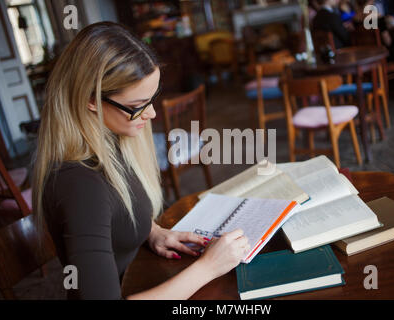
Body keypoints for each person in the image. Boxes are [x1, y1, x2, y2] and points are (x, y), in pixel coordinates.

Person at [32, 22, 250, 300]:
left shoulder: (110, 139)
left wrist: (153, 231)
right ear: (91, 101)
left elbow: (119, 209)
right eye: (137, 107)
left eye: (152, 98)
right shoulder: (78, 184)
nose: (152, 114)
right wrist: (208, 267)